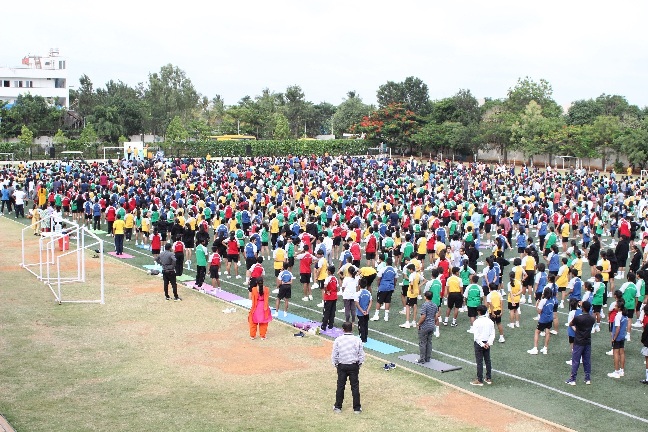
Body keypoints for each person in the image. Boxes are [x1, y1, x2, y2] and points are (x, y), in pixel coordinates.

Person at [331, 321, 365, 414]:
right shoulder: (357, 340)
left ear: (343, 329)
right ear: (352, 329)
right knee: (355, 387)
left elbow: (335, 354)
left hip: (342, 365)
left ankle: (338, 407)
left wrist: (336, 364)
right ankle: (357, 408)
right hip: (353, 365)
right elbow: (361, 354)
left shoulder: (338, 340)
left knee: (340, 386)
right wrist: (359, 364)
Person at [565, 301, 596, 385]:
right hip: (587, 341)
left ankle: (573, 379)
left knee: (575, 360)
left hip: (579, 341)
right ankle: (587, 378)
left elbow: (571, 323)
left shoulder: (579, 318)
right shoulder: (592, 318)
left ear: (583, 308)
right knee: (587, 360)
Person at [471, 305, 495, 386]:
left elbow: (476, 336)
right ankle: (488, 378)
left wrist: (482, 344)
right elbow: (492, 334)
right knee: (488, 360)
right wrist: (488, 343)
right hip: (487, 342)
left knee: (479, 361)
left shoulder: (476, 322)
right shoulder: (490, 321)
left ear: (478, 312)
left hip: (479, 343)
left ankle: (479, 380)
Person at [528, 287, 555, 355]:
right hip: (550, 319)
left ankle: (535, 348)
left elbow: (539, 311)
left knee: (537, 332)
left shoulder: (543, 301)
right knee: (547, 332)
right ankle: (545, 348)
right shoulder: (553, 300)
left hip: (543, 319)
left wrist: (537, 304)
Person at [607, 300, 628, 379]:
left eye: (615, 306)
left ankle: (616, 371)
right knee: (622, 353)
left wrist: (614, 338)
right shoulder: (624, 315)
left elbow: (617, 328)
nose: (614, 307)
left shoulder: (618, 316)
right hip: (622, 336)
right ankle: (622, 370)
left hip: (618, 337)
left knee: (616, 353)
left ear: (619, 308)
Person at [417, 291, 439, 364]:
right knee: (429, 342)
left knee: (422, 342)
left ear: (425, 296)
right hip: (431, 325)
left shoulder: (425, 305)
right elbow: (436, 316)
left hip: (425, 326)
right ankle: (428, 358)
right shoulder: (435, 305)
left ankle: (422, 359)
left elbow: (423, 316)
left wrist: (418, 323)